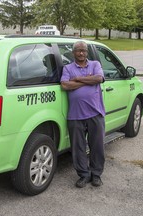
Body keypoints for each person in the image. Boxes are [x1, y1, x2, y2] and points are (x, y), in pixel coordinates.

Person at [60, 41, 105, 188]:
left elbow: (98, 79)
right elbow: (65, 85)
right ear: (73, 53)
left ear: (87, 52)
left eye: (84, 51)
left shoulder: (95, 64)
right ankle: (84, 175)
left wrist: (77, 79)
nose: (81, 53)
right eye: (78, 51)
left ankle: (96, 174)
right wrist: (88, 81)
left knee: (97, 146)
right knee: (78, 148)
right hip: (75, 115)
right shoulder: (67, 68)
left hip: (95, 113)